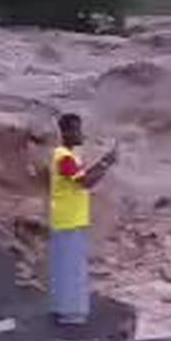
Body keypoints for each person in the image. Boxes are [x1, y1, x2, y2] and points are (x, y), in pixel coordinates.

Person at [49, 113, 118, 325]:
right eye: (77, 130)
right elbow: (86, 182)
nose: (82, 134)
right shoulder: (65, 158)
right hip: (69, 219)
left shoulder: (67, 156)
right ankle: (71, 313)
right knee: (71, 268)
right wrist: (106, 163)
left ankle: (63, 308)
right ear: (67, 132)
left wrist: (104, 162)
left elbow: (83, 176)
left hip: (69, 217)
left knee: (66, 266)